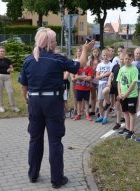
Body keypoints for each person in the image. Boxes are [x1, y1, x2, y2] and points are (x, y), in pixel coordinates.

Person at [18, 27, 94, 189]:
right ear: (50, 43)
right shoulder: (57, 59)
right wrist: (86, 50)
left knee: (35, 139)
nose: (56, 42)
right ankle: (57, 179)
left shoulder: (29, 60)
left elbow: (23, 85)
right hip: (53, 103)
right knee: (55, 141)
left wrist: (27, 100)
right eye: (55, 40)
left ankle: (33, 174)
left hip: (35, 103)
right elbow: (79, 64)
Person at [116, 50, 139, 139]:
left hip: (131, 96)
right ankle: (127, 128)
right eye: (125, 59)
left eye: (129, 59)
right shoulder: (122, 69)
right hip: (122, 95)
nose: (127, 60)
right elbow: (118, 82)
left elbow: (133, 84)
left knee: (131, 113)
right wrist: (119, 93)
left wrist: (126, 94)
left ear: (132, 59)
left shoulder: (134, 69)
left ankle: (132, 131)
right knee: (125, 112)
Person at [95, 48, 113, 125]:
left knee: (106, 102)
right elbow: (97, 76)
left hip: (107, 84)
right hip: (100, 84)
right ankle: (101, 115)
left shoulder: (111, 65)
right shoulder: (99, 65)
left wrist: (106, 75)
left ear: (109, 56)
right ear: (101, 56)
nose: (105, 57)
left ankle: (105, 117)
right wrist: (104, 74)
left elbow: (111, 75)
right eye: (104, 55)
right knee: (99, 102)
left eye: (107, 55)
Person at [87, 47, 101, 116]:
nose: (95, 53)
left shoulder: (100, 60)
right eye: (94, 52)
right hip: (92, 80)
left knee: (99, 96)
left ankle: (98, 109)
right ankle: (92, 110)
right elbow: (88, 69)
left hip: (98, 80)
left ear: (98, 53)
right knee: (93, 96)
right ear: (92, 53)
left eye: (96, 52)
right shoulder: (90, 60)